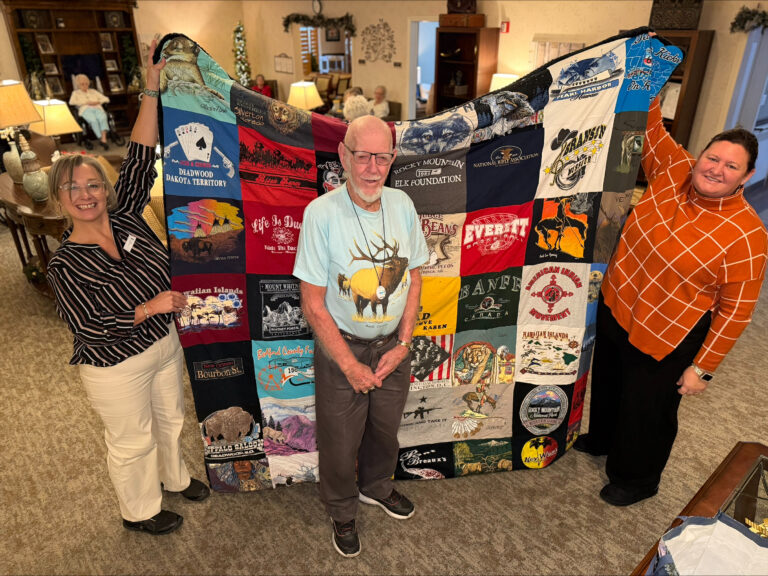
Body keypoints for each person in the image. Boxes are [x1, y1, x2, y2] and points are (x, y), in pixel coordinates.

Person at [47, 39, 210, 536]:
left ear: (105, 189)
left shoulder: (123, 218)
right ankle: (139, 511)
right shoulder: (65, 264)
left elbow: (140, 157)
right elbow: (90, 326)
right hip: (114, 364)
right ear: (59, 199)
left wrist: (151, 88)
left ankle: (175, 478)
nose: (86, 194)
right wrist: (148, 306)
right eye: (72, 188)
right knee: (131, 438)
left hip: (163, 344)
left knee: (171, 422)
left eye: (93, 184)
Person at [575, 95, 767, 506]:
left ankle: (636, 479)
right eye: (713, 158)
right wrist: (651, 76)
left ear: (746, 177)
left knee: (648, 410)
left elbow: (736, 312)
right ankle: (602, 438)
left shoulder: (748, 236)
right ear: (700, 156)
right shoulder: (673, 169)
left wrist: (703, 369)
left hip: (668, 331)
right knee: (609, 386)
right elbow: (650, 128)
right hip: (619, 305)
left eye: (731, 166)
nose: (717, 169)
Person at [293, 115, 429, 558]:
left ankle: (376, 486)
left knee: (385, 430)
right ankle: (341, 508)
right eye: (363, 156)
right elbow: (312, 302)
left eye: (383, 157)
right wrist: (348, 364)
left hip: (394, 346)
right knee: (338, 439)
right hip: (343, 348)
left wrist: (404, 343)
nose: (373, 167)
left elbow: (415, 277)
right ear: (343, 156)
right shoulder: (320, 214)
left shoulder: (403, 204)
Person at [69, 74, 111, 150]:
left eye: (86, 83)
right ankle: (100, 138)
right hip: (85, 110)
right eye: (82, 84)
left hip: (97, 108)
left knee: (103, 118)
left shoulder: (93, 91)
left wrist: (97, 102)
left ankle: (103, 139)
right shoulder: (75, 93)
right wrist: (85, 102)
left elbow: (106, 99)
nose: (85, 85)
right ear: (78, 85)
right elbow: (71, 102)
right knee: (93, 120)